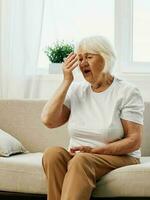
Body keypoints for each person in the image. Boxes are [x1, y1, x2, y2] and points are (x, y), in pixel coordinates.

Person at [41, 35, 144, 200]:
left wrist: (95, 151)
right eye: (80, 58)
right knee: (52, 154)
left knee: (81, 160)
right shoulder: (77, 90)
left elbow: (134, 140)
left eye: (88, 57)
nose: (82, 63)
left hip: (118, 157)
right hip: (81, 158)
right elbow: (48, 120)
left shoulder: (127, 91)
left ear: (106, 58)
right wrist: (66, 81)